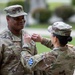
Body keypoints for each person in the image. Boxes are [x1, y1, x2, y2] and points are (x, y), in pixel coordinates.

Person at [0, 5, 46, 75]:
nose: (21, 21)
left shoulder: (28, 37)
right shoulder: (2, 40)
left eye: (22, 18)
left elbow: (34, 62)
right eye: (17, 18)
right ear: (8, 19)